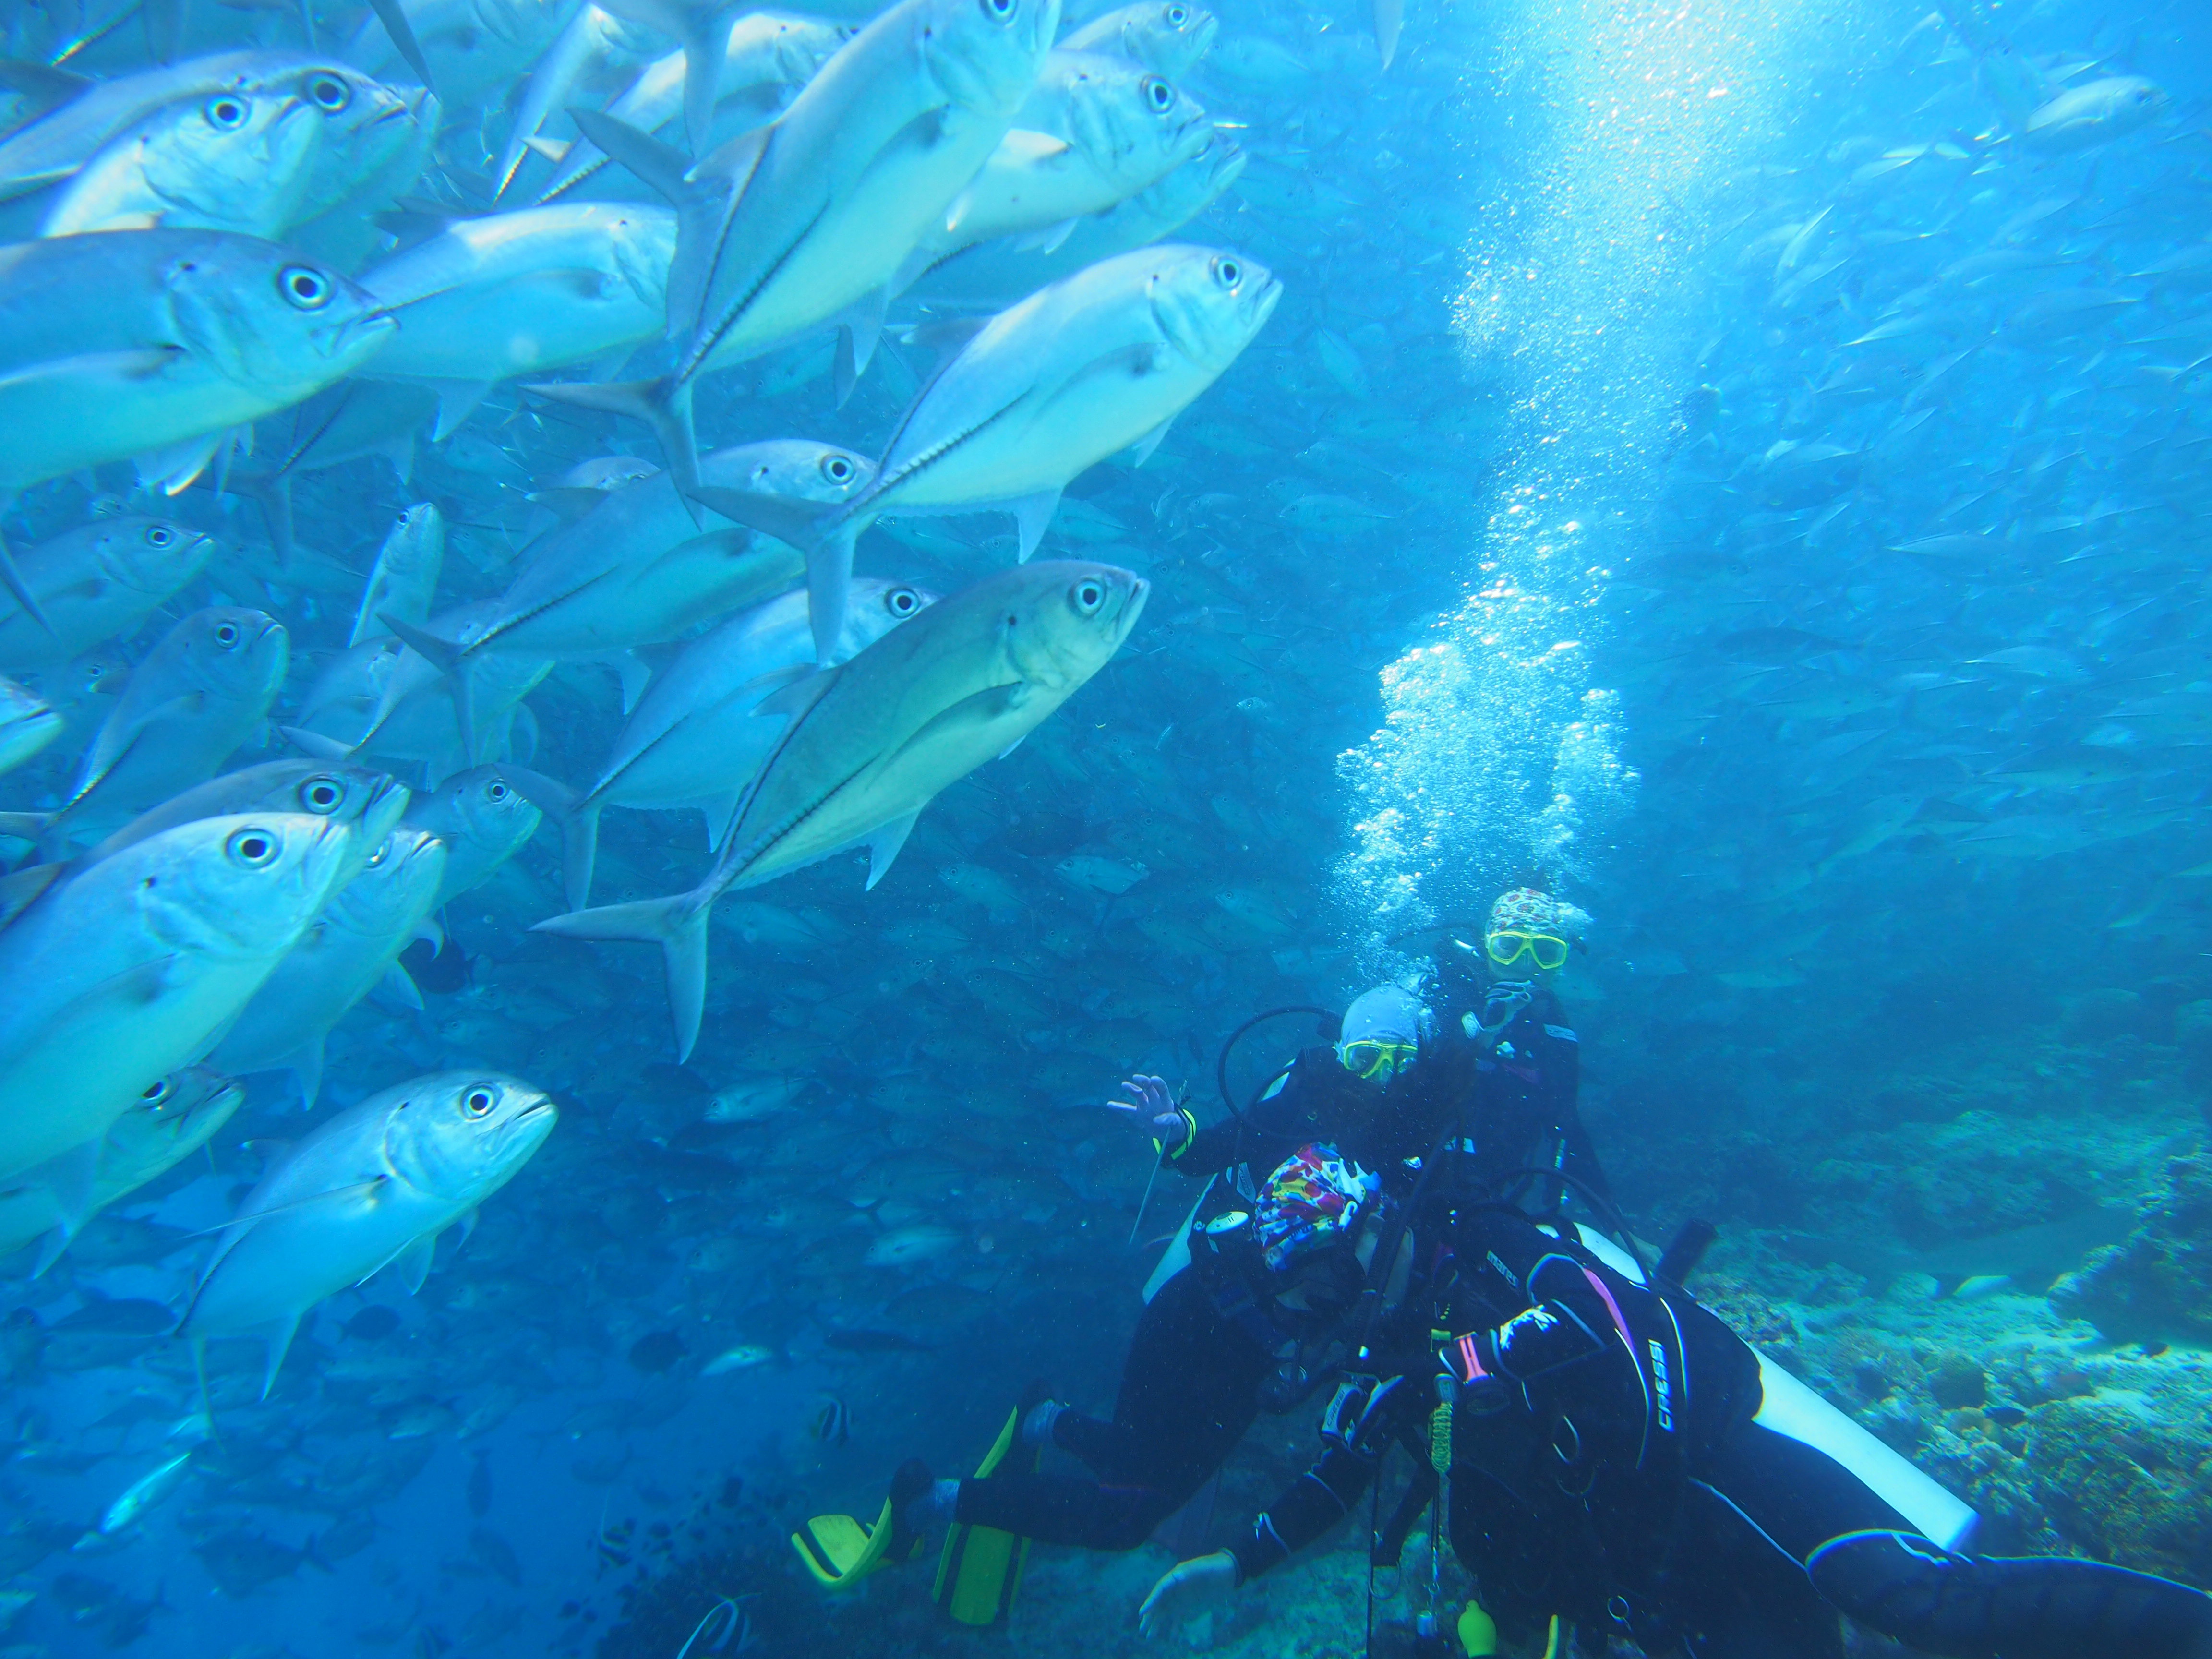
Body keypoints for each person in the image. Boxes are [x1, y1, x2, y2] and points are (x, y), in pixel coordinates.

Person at [798, 886, 1615, 1614]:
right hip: (1207, 1312)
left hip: (1255, 1347)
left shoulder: (1437, 1138)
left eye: (1545, 954)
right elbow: (1223, 1141)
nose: (1380, 1076)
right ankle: (929, 1501)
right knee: (1130, 1511)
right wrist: (1173, 1132)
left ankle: (1044, 1418)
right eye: (1368, 1056)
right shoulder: (1322, 1094)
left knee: (1137, 1471)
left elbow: (1531, 1171)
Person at [1134, 1196, 2212, 1659]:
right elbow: (1333, 1477)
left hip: (1725, 1471)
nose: (1320, 1314)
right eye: (1300, 1299)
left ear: (1367, 1241)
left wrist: (1467, 1359)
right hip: (1649, 1566)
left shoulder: (1506, 1243)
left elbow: (1604, 1316)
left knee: (1917, 1605)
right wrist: (1233, 1564)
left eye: (1321, 1282)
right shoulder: (1387, 1359)